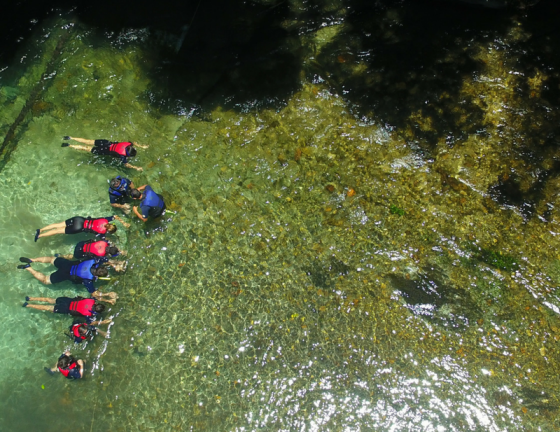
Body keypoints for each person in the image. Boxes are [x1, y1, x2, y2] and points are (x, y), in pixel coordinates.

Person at [17, 256, 108, 293]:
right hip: (64, 274)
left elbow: (104, 259)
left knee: (51, 259)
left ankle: (32, 260)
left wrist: (112, 263)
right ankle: (28, 268)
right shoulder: (88, 280)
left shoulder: (93, 261)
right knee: (45, 280)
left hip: (67, 264)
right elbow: (92, 292)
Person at [61, 136, 148, 171]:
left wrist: (141, 146)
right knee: (86, 149)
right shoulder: (122, 156)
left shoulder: (128, 144)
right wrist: (136, 167)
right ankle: (69, 145)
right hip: (104, 150)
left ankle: (70, 137)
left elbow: (134, 142)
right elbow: (126, 165)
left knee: (88, 141)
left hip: (106, 143)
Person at [34, 214, 130, 242]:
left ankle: (40, 230)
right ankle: (39, 236)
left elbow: (115, 216)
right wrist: (111, 240)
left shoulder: (105, 220)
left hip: (79, 219)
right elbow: (103, 240)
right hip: (78, 227)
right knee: (58, 231)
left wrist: (124, 223)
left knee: (58, 225)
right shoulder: (102, 233)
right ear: (109, 231)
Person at [22, 295, 116, 320]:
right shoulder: (88, 314)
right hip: (66, 309)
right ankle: (28, 305)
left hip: (67, 300)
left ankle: (30, 298)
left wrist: (107, 300)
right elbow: (89, 322)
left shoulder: (91, 301)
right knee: (47, 308)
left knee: (49, 300)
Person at [57, 239, 127, 272]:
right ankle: (62, 256)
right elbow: (109, 261)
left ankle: (61, 255)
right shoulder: (101, 255)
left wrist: (121, 251)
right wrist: (116, 265)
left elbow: (110, 243)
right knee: (74, 257)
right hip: (79, 252)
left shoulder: (105, 242)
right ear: (109, 254)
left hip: (81, 243)